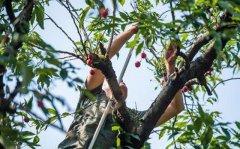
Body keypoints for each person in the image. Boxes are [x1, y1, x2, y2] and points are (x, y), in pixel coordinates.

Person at [58, 24, 184, 149]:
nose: (121, 81)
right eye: (116, 79)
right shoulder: (91, 96)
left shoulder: (134, 117)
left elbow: (175, 107)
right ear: (104, 82)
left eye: (123, 80)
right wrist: (129, 32)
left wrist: (171, 69)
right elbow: (100, 62)